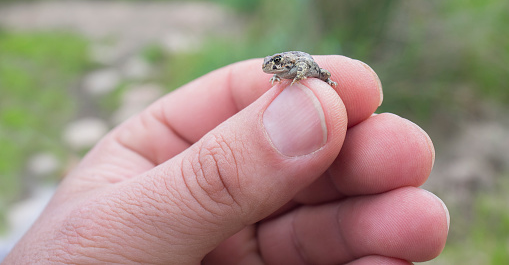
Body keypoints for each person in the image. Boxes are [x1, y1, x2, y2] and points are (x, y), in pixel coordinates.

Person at [4, 56, 449, 264]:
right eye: (274, 68)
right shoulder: (280, 73)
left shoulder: (292, 69)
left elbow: (300, 69)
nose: (273, 71)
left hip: (314, 73)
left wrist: (301, 80)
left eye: (275, 68)